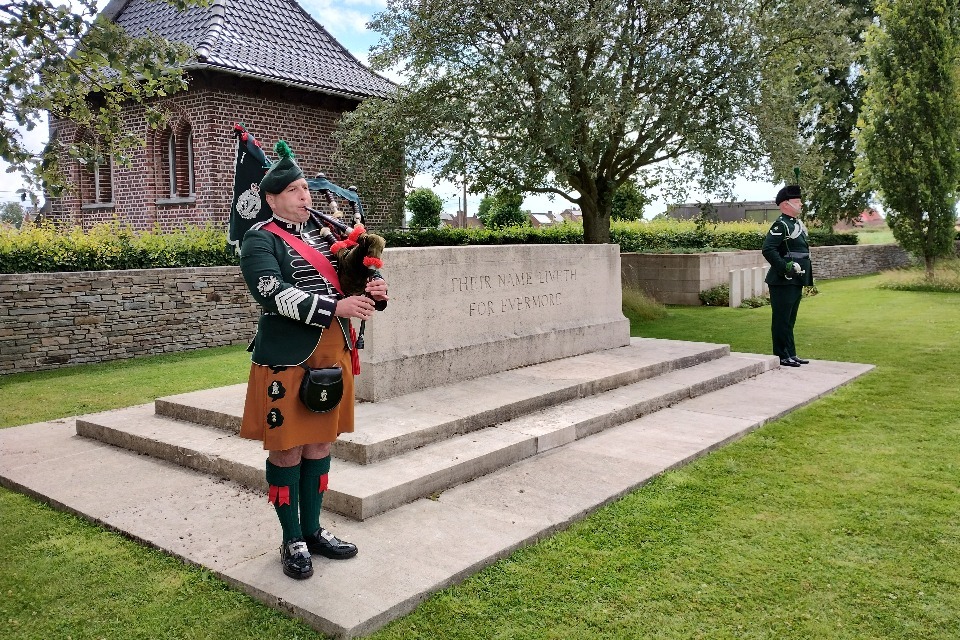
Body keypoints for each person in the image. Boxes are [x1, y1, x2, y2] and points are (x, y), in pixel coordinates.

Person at [238, 142, 388, 579]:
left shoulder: (327, 239)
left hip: (334, 352)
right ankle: (292, 539)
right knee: (288, 450)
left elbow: (352, 283)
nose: (306, 196)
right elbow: (270, 292)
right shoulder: (259, 239)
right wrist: (334, 309)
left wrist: (374, 293)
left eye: (307, 189)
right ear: (272, 197)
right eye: (296, 190)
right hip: (288, 357)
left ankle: (314, 530)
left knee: (321, 445)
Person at [762, 184, 813, 368]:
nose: (801, 205)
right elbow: (768, 249)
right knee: (782, 320)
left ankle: (791, 353)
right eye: (797, 202)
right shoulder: (781, 225)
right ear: (785, 205)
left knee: (790, 320)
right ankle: (781, 355)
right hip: (783, 279)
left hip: (795, 278)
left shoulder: (795, 224)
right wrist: (785, 267)